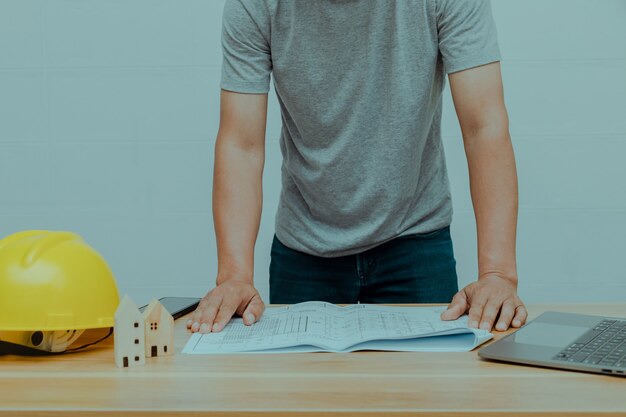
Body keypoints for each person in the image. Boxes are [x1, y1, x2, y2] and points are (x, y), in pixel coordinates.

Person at [187, 0, 527, 335]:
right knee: (303, 392)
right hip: (304, 251)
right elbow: (241, 145)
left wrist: (498, 274)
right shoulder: (255, 5)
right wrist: (233, 276)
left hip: (416, 242)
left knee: (430, 390)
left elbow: (484, 128)